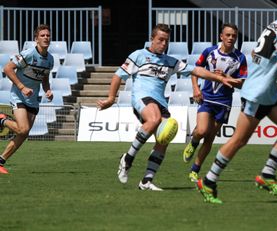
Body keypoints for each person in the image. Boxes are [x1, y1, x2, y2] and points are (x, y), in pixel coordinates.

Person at [97, 23, 242, 191]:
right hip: (142, 97)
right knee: (154, 119)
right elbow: (118, 76)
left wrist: (220, 79)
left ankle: (146, 181)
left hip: (160, 102)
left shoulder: (170, 62)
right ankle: (127, 158)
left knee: (164, 138)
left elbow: (197, 71)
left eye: (166, 41)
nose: (164, 44)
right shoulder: (138, 55)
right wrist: (110, 98)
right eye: (160, 40)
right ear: (152, 39)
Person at [196, 0, 277, 204]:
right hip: (257, 94)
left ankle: (267, 175)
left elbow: (256, 55)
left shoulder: (273, 26)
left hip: (267, 92)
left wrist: (270, 78)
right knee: (239, 140)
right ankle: (208, 180)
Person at [182, 24, 247, 183]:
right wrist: (196, 88)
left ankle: (194, 171)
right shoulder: (209, 52)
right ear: (221, 36)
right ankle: (194, 141)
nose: (231, 38)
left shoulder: (240, 58)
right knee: (202, 130)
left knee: (210, 138)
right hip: (207, 98)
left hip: (224, 103)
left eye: (234, 36)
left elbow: (242, 83)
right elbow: (195, 70)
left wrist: (227, 77)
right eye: (228, 35)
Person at [0, 24, 54, 174]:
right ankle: (2, 119)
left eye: (48, 35)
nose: (46, 38)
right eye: (42, 35)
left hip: (33, 99)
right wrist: (22, 87)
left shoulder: (50, 59)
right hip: (18, 95)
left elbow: (44, 78)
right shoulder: (29, 53)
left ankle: (1, 160)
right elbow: (7, 69)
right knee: (23, 129)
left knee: (24, 134)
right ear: (36, 39)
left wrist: (48, 90)